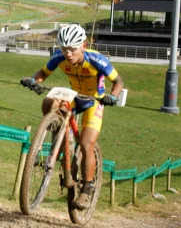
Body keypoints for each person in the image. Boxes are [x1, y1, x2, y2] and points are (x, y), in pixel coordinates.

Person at [21, 24, 124, 209]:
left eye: (73, 49)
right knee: (48, 101)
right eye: (64, 49)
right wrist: (33, 80)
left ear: (83, 45)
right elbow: (43, 73)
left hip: (94, 101)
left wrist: (113, 96)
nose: (68, 54)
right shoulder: (59, 58)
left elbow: (118, 81)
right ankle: (56, 135)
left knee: (86, 144)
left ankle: (86, 188)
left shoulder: (96, 60)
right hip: (75, 96)